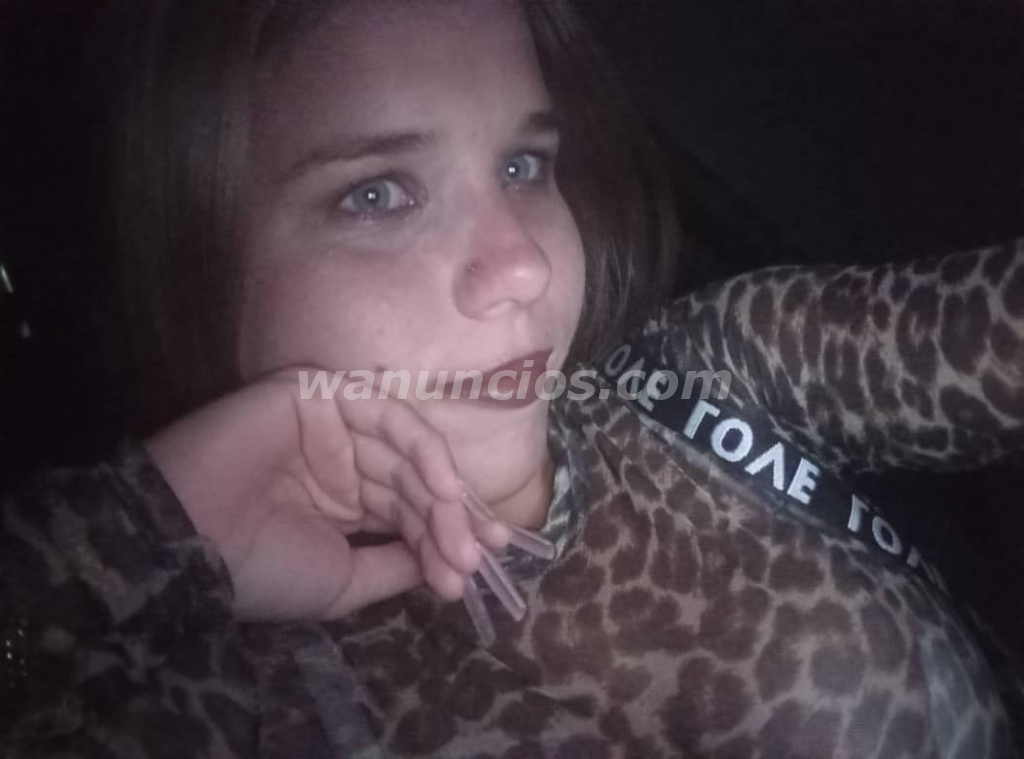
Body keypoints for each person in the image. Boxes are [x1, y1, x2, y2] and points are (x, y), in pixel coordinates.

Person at [1, 0, 1022, 757]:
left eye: (523, 167)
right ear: (196, 266)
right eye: (377, 193)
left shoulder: (708, 377)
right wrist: (147, 526)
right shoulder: (242, 702)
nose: (524, 264)